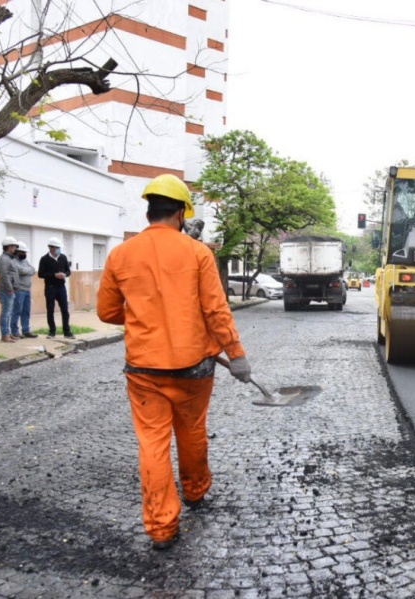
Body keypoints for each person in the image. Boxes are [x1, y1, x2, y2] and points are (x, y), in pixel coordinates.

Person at [97, 173, 252, 551]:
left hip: (144, 369)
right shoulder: (198, 253)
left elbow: (106, 312)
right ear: (182, 213)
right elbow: (215, 310)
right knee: (192, 431)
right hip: (194, 368)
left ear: (149, 210)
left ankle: (162, 527)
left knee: (152, 444)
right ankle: (196, 491)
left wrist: (143, 319)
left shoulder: (120, 254)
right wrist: (237, 354)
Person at [38, 237, 74, 339]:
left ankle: (67, 332)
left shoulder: (63, 257)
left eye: (59, 247)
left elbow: (68, 271)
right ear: (51, 248)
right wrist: (54, 275)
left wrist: (64, 274)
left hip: (61, 287)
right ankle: (52, 331)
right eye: (57, 247)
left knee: (65, 310)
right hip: (50, 287)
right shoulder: (44, 259)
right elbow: (41, 274)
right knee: (50, 310)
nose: (59, 249)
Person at [10, 242, 38, 339]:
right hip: (19, 289)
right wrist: (27, 271)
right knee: (17, 310)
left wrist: (26, 270)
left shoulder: (25, 261)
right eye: (22, 252)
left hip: (27, 289)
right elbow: (21, 270)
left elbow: (33, 270)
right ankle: (14, 331)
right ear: (17, 252)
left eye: (25, 252)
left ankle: (26, 330)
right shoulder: (13, 261)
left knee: (26, 311)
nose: (24, 254)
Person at [0, 236, 20, 343]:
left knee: (9, 313)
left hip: (10, 290)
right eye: (14, 246)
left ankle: (7, 333)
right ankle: (5, 334)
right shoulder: (4, 259)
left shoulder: (9, 259)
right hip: (6, 291)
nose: (15, 249)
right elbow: (4, 275)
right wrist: (9, 288)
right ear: (9, 247)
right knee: (6, 313)